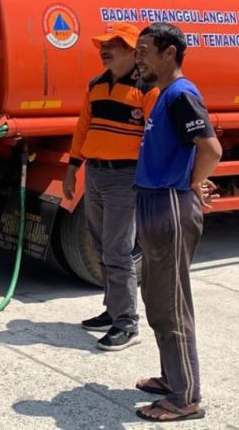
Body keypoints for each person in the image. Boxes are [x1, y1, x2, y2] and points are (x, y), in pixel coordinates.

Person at [132, 23, 221, 423]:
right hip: (155, 201)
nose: (139, 57)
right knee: (155, 295)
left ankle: (185, 396)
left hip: (168, 204)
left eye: (145, 50)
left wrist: (188, 185)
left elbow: (212, 149)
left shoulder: (181, 95)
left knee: (172, 303)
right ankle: (171, 376)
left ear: (170, 53)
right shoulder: (163, 95)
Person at [63, 22, 159, 351]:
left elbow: (155, 138)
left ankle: (127, 323)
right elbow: (82, 128)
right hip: (96, 173)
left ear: (134, 52)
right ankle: (113, 308)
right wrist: (72, 167)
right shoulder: (96, 85)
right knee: (101, 245)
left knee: (118, 251)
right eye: (103, 44)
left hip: (125, 177)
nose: (105, 50)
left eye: (113, 45)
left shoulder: (147, 88)